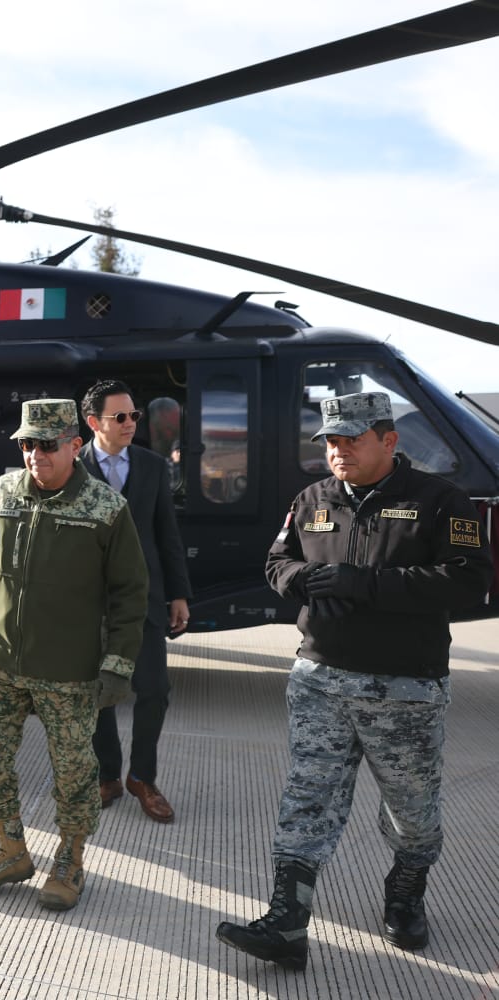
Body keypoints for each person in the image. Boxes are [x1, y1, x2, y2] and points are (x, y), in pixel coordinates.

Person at [216, 392, 492, 971]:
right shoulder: (312, 498)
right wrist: (304, 579)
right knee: (307, 801)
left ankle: (406, 890)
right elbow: (276, 562)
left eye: (351, 440)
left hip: (405, 688)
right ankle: (287, 925)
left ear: (389, 441)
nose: (337, 452)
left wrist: (361, 584)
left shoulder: (442, 502)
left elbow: (468, 583)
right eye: (330, 441)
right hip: (320, 677)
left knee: (412, 811)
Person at [0, 398, 147, 912]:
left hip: (69, 671)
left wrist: (118, 664)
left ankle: (70, 859)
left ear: (75, 445)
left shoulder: (106, 509)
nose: (35, 454)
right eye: (26, 445)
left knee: (74, 772)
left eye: (46, 444)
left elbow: (130, 593)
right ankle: (9, 851)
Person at [79, 380, 193, 823]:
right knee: (97, 695)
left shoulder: (151, 465)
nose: (130, 424)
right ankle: (108, 774)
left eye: (134, 416)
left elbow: (168, 534)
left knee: (155, 691)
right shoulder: (72, 467)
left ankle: (142, 777)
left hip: (143, 600)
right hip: (88, 603)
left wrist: (179, 594)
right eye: (120, 417)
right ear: (94, 422)